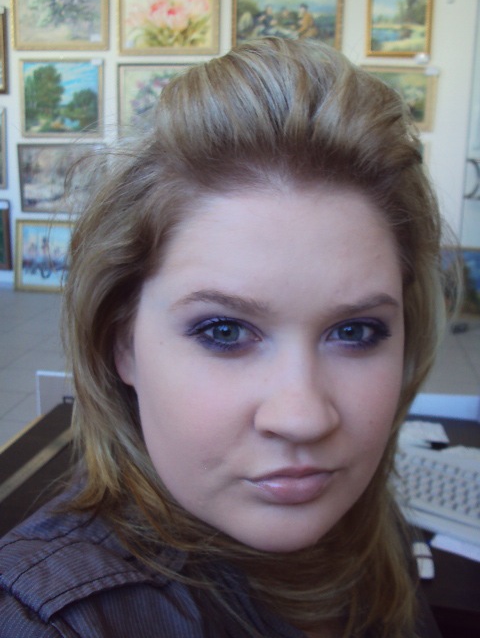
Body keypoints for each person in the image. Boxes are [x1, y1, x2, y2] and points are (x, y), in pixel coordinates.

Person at [0, 38, 451, 637]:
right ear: (121, 343)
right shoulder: (54, 620)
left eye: (355, 331)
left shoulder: (367, 518)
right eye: (224, 330)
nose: (303, 419)